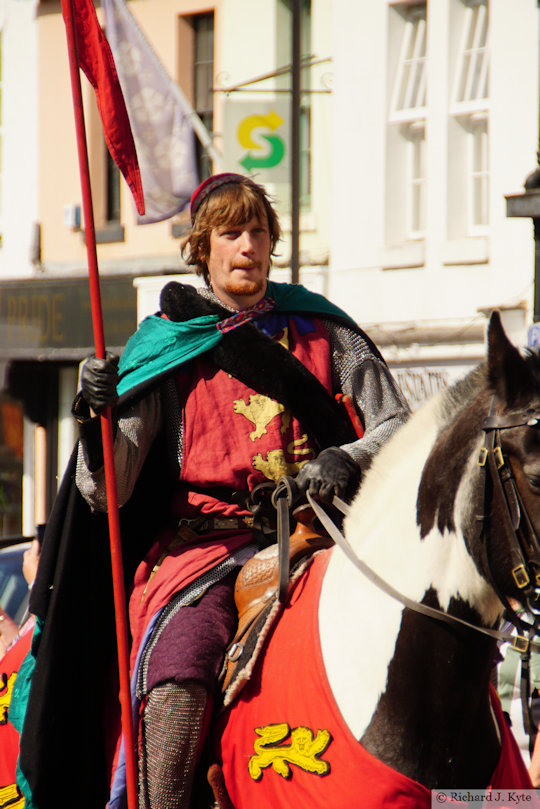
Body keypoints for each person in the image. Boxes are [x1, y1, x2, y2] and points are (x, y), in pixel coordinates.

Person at [18, 173, 410, 809]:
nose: (248, 245)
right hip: (209, 555)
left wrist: (348, 456)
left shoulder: (324, 330)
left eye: (258, 231)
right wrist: (93, 421)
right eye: (231, 233)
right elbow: (107, 492)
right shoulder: (166, 347)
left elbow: (397, 424)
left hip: (323, 537)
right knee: (180, 673)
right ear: (203, 247)